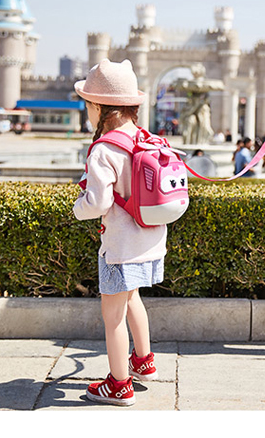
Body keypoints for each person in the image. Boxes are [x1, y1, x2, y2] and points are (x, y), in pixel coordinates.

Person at [73, 59, 165, 406]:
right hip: (151, 241)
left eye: (88, 105)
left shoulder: (105, 148)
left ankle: (119, 384)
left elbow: (97, 202)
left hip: (120, 246)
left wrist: (77, 206)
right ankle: (143, 362)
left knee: (112, 316)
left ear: (99, 107)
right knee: (132, 300)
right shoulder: (148, 138)